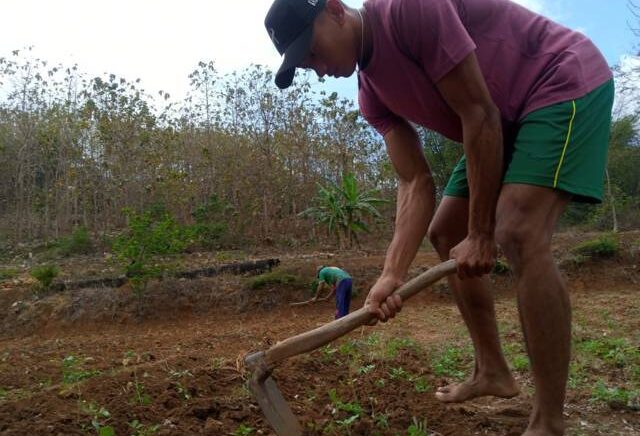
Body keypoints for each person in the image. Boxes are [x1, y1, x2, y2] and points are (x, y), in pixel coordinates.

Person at [264, 0, 614, 434]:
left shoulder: (407, 9)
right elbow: (414, 182)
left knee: (517, 231)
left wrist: (482, 232)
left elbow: (478, 112)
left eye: (312, 52)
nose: (316, 69)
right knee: (446, 232)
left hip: (557, 81)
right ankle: (493, 371)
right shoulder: (372, 95)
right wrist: (391, 273)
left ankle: (548, 422)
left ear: (335, 10)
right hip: (498, 122)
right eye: (305, 65)